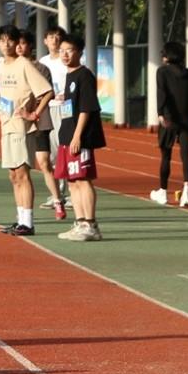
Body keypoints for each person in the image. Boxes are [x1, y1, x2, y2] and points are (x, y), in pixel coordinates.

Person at [0, 25, 53, 236]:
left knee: (22, 172)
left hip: (22, 127)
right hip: (6, 125)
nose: (6, 44)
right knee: (13, 175)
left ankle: (28, 223)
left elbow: (47, 91)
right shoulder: (2, 66)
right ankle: (20, 219)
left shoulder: (24, 64)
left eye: (10, 40)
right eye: (2, 40)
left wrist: (34, 114)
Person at [55, 34, 107, 242]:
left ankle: (91, 225)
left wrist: (77, 137)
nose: (65, 55)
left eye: (69, 50)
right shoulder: (69, 76)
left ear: (79, 52)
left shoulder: (84, 75)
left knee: (83, 180)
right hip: (67, 135)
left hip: (80, 138)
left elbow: (87, 108)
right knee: (72, 182)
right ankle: (80, 222)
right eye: (61, 51)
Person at [152, 41, 188, 207]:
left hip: (169, 120)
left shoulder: (162, 71)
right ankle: (186, 193)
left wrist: (160, 113)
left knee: (166, 156)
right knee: (186, 156)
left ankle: (163, 192)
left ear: (167, 56)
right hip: (187, 120)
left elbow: (161, 92)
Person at [18, 30, 65, 220]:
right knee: (20, 168)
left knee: (44, 162)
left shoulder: (41, 68)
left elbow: (47, 93)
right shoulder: (9, 67)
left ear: (30, 46)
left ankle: (58, 201)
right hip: (18, 122)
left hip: (40, 120)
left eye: (23, 43)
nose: (19, 47)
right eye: (16, 43)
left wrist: (34, 113)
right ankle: (23, 211)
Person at [38, 26, 69, 210]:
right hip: (47, 109)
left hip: (65, 109)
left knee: (64, 150)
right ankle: (57, 193)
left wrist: (67, 95)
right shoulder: (42, 62)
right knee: (50, 154)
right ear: (45, 41)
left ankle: (68, 193)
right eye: (51, 37)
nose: (54, 40)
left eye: (58, 37)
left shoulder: (66, 59)